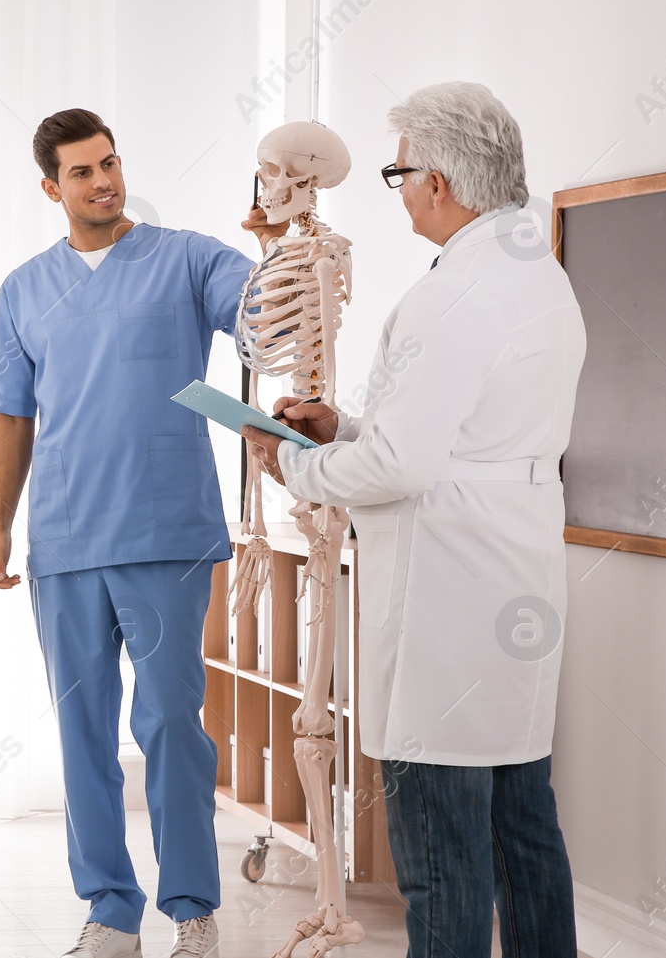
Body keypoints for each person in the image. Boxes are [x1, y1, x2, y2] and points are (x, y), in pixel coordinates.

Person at [240, 82, 585, 958]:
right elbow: (467, 433)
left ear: (439, 181)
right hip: (514, 574)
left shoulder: (451, 296)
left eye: (398, 172)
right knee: (524, 836)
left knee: (442, 856)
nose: (396, 192)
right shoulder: (540, 276)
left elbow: (403, 466)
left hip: (447, 594)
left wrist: (294, 460)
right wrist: (345, 427)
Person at [0, 108, 254, 958]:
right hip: (62, 539)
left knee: (171, 720)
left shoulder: (189, 258)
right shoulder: (24, 289)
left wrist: (280, 251)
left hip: (164, 531)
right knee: (82, 729)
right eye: (84, 172)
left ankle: (193, 907)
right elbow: (12, 415)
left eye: (111, 164)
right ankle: (110, 907)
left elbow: (267, 312)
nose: (104, 182)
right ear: (51, 187)